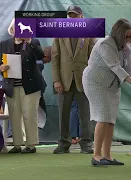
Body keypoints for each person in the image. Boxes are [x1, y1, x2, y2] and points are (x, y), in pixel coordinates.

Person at [83, 18, 131, 166]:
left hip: (112, 85)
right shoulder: (105, 44)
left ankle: (107, 155)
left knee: (110, 120)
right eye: (126, 36)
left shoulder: (126, 47)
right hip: (96, 83)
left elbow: (130, 69)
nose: (129, 39)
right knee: (103, 117)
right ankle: (96, 155)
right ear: (118, 34)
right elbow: (115, 67)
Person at [51, 5, 96, 154]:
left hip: (83, 79)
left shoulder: (89, 33)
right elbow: (55, 57)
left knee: (85, 114)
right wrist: (56, 80)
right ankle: (64, 143)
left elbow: (93, 58)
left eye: (74, 15)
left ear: (81, 17)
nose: (72, 18)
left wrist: (92, 79)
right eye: (69, 15)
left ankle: (86, 144)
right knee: (63, 113)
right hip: (64, 80)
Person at [0, 18, 45, 153]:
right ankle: (17, 144)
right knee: (15, 115)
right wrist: (1, 67)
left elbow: (40, 55)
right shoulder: (4, 44)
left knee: (30, 114)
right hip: (11, 86)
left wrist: (29, 41)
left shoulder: (33, 42)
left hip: (30, 86)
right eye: (16, 29)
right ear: (12, 30)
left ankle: (31, 145)